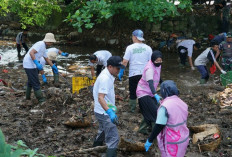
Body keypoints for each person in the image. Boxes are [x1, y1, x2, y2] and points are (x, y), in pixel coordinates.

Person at [144, 80, 189, 157]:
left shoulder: (165, 107)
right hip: (183, 139)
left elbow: (159, 125)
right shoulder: (182, 103)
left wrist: (150, 139)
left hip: (171, 142)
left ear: (164, 91)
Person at [92, 56, 125, 157]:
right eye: (117, 69)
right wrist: (109, 112)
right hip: (104, 111)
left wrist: (113, 96)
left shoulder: (108, 73)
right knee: (113, 138)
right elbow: (100, 98)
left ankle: (95, 149)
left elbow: (102, 91)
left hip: (100, 110)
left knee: (103, 130)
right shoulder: (105, 78)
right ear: (110, 66)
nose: (119, 71)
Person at [118, 29, 152, 113]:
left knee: (133, 91)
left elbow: (125, 61)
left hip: (134, 73)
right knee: (143, 91)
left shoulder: (130, 48)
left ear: (135, 37)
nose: (132, 38)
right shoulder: (148, 48)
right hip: (145, 73)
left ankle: (132, 109)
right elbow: (151, 63)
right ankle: (143, 108)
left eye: (132, 36)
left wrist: (121, 71)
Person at [23, 33, 58, 103]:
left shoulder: (44, 47)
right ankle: (41, 99)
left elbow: (46, 58)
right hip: (29, 64)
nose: (51, 44)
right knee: (36, 82)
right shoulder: (40, 44)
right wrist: (36, 62)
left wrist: (53, 66)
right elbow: (31, 53)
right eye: (51, 42)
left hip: (33, 65)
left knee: (30, 81)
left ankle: (27, 98)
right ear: (48, 41)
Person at [136, 50, 163, 135]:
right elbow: (150, 82)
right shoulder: (149, 68)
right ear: (153, 60)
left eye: (160, 61)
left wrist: (163, 83)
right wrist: (155, 94)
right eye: (157, 61)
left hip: (150, 91)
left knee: (152, 109)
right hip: (143, 92)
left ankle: (142, 128)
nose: (159, 62)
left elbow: (158, 75)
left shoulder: (158, 65)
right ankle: (156, 135)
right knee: (155, 112)